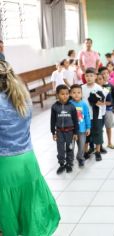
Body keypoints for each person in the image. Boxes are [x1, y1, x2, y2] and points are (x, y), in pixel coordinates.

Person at [0, 60, 60, 236]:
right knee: (29, 208)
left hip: (5, 164)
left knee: (7, 213)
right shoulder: (22, 97)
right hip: (27, 160)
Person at [50, 85, 78, 174]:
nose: (65, 96)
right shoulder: (54, 107)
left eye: (67, 94)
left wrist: (75, 133)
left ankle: (69, 164)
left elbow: (75, 120)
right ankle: (62, 164)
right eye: (62, 94)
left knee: (70, 148)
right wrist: (53, 132)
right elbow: (53, 120)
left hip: (70, 131)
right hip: (59, 132)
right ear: (57, 95)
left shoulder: (72, 106)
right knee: (60, 149)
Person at [82, 68, 105, 161]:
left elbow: (102, 102)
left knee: (97, 133)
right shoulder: (82, 88)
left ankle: (98, 152)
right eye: (87, 76)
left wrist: (95, 102)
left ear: (95, 76)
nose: (89, 78)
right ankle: (85, 151)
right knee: (85, 134)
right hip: (84, 117)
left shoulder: (98, 88)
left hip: (96, 115)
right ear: (84, 77)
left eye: (91, 75)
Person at [70, 84, 91, 167]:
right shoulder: (69, 104)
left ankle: (80, 158)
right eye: (74, 92)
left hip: (82, 129)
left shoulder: (84, 104)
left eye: (79, 92)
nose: (76, 94)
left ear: (82, 94)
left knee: (81, 145)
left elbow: (87, 116)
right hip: (71, 130)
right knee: (70, 146)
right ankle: (70, 159)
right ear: (70, 94)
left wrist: (88, 127)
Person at [99, 66, 114, 149]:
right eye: (103, 73)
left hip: (108, 109)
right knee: (99, 128)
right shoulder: (97, 86)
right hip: (99, 110)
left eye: (107, 73)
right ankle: (99, 144)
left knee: (108, 126)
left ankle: (109, 142)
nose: (105, 75)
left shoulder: (111, 86)